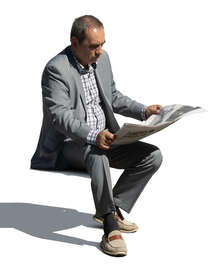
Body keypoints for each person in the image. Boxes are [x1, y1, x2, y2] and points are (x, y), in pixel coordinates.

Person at [31, 15, 163, 256]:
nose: (100, 51)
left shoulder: (102, 59)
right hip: (70, 144)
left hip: (107, 137)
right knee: (97, 153)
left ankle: (114, 207)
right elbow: (59, 116)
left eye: (102, 44)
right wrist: (93, 135)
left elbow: (112, 97)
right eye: (93, 46)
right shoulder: (56, 70)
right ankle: (110, 227)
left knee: (152, 156)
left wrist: (143, 111)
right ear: (74, 42)